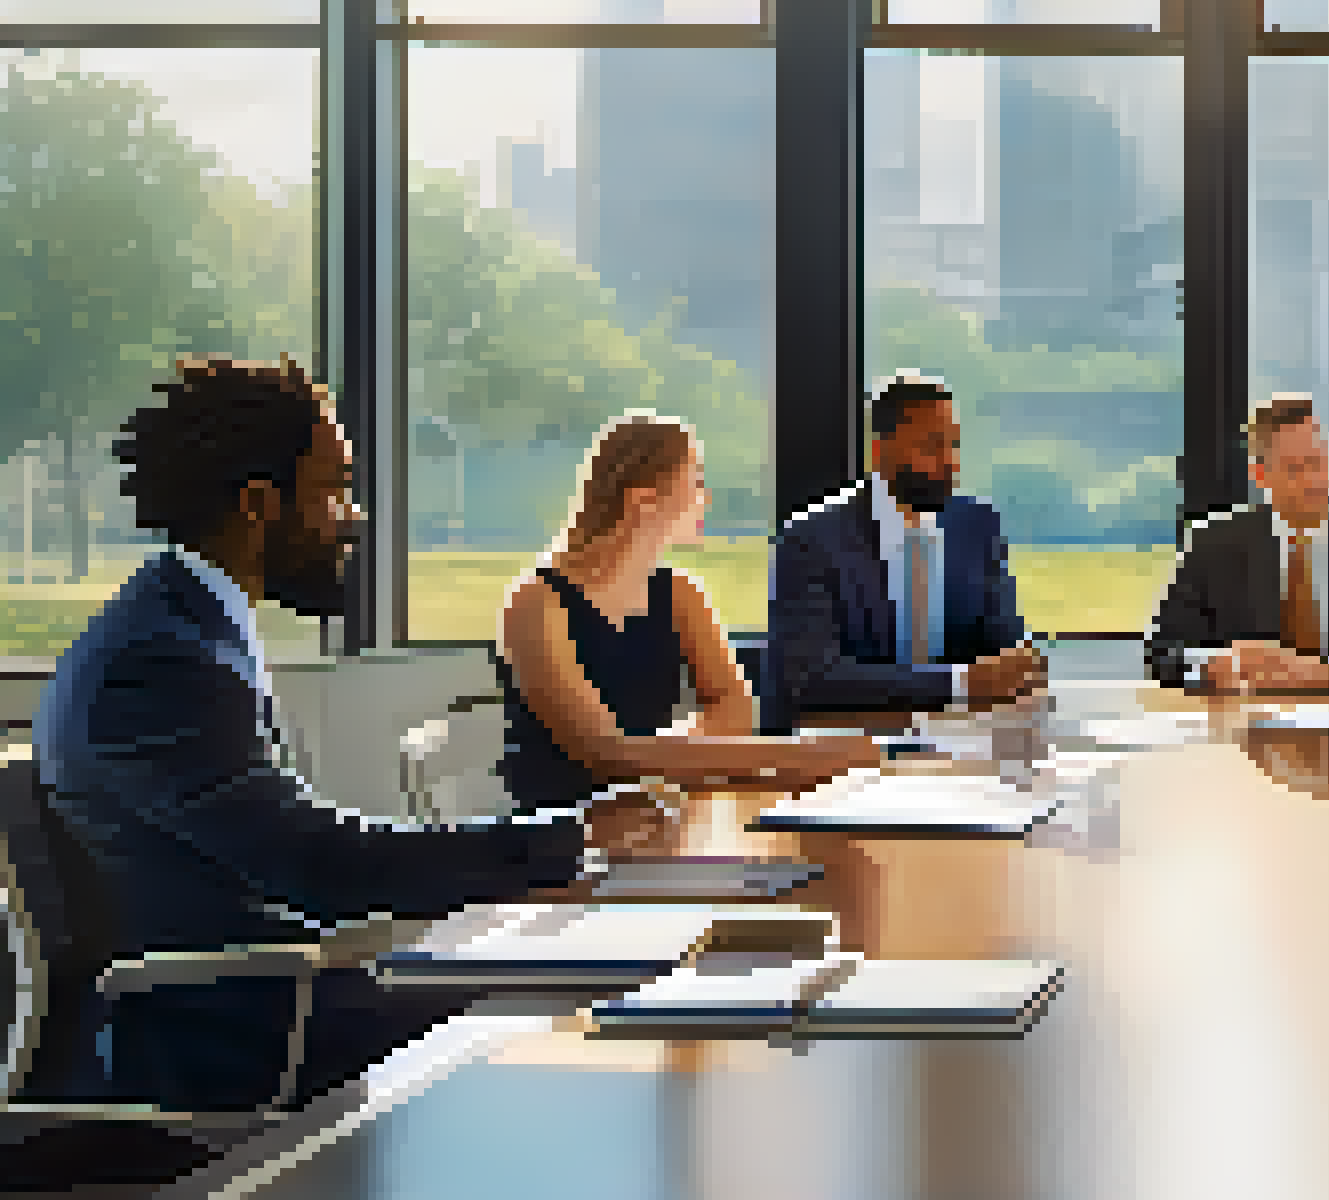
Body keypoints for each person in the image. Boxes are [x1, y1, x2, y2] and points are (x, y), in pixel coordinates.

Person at [26, 357, 669, 1122]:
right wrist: (568, 840)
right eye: (333, 489)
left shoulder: (183, 625)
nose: (353, 516)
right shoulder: (159, 661)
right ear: (258, 504)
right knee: (594, 1006)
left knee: (587, 978)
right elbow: (318, 863)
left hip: (278, 994)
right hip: (238, 1035)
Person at [495, 411, 882, 812]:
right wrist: (792, 755)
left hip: (652, 811)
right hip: (559, 828)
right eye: (694, 482)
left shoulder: (680, 592)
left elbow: (735, 708)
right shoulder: (535, 603)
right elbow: (604, 752)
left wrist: (657, 750)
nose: (706, 498)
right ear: (642, 500)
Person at [760, 372, 1044, 725]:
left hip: (959, 741)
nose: (950, 462)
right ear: (880, 451)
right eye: (931, 447)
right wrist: (959, 684)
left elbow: (1006, 651)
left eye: (953, 445)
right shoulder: (810, 540)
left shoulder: (977, 527)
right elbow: (811, 678)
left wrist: (1021, 670)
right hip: (842, 743)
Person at [1146, 392, 1329, 692]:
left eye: (1317, 462)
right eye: (1295, 469)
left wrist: (1328, 674)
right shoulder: (1213, 543)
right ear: (1260, 475)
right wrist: (1215, 666)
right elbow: (1162, 651)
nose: (1313, 480)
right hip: (1246, 717)